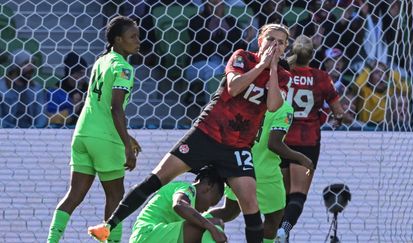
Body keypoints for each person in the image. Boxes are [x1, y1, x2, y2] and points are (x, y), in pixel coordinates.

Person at [88, 23, 291, 243]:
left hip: (237, 146)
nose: (274, 45)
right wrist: (261, 65)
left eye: (280, 42)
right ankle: (108, 227)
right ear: (260, 40)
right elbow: (234, 88)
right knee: (157, 178)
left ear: (285, 48)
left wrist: (271, 69)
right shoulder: (242, 57)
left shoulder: (282, 75)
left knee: (250, 204)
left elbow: (272, 106)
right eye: (271, 39)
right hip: (206, 133)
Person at [46, 16, 142, 243]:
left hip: (82, 134)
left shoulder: (101, 61)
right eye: (133, 37)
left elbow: (100, 105)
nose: (139, 40)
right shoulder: (124, 69)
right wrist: (127, 147)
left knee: (74, 195)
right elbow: (115, 108)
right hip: (105, 139)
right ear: (118, 40)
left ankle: (51, 240)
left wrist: (127, 135)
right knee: (116, 197)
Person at [208, 101, 314, 243]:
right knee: (274, 219)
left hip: (239, 166)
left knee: (229, 211)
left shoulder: (250, 101)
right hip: (265, 173)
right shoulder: (284, 108)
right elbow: (274, 144)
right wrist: (302, 158)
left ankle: (192, 225)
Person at [277, 35, 345, 242]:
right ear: (312, 56)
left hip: (279, 139)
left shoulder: (281, 74)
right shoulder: (321, 77)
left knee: (281, 195)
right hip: (307, 142)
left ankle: (276, 234)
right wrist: (337, 119)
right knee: (297, 194)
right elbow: (339, 112)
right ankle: (283, 231)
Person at [129, 166, 226, 243]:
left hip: (147, 236)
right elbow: (179, 204)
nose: (206, 209)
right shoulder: (188, 188)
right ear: (209, 187)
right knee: (215, 223)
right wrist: (211, 227)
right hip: (149, 234)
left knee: (208, 221)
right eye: (211, 203)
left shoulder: (184, 194)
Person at [0, 50, 47, 128]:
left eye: (33, 64)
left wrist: (36, 129)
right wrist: (15, 130)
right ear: (15, 67)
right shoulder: (2, 87)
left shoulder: (36, 88)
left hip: (30, 132)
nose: (31, 67)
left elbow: (41, 115)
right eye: (26, 63)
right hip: (7, 132)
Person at [46, 52, 88, 127]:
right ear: (69, 73)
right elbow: (51, 119)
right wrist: (74, 107)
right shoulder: (55, 92)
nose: (81, 77)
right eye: (77, 73)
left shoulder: (89, 90)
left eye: (83, 73)